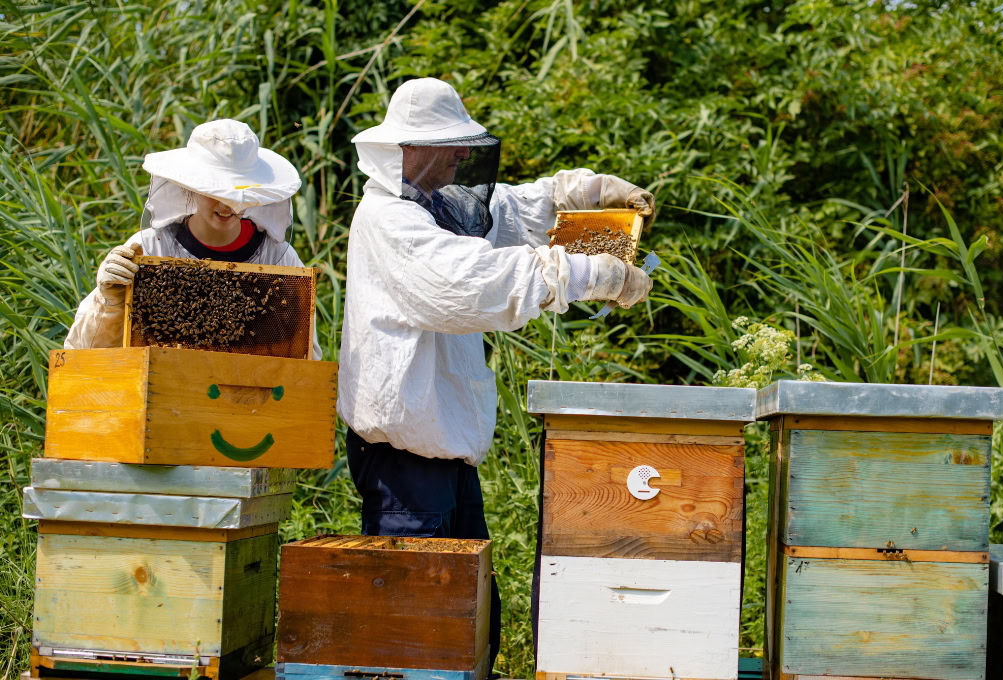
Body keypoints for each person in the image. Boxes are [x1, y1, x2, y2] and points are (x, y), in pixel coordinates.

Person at [337, 77, 654, 675]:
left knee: (470, 630)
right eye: (447, 144)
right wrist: (591, 277)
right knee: (421, 634)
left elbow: (512, 211)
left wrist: (579, 192)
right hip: (404, 463)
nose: (460, 156)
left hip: (446, 455)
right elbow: (471, 282)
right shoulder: (390, 221)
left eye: (464, 145)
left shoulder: (444, 204)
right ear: (406, 150)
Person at [65, 119, 321, 359]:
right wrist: (109, 302)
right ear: (192, 187)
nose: (227, 205)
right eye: (215, 191)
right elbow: (83, 355)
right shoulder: (150, 249)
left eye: (239, 192)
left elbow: (305, 360)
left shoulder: (279, 258)